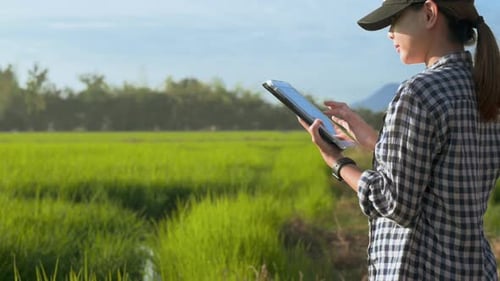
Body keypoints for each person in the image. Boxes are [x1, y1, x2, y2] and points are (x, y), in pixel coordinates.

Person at [298, 0, 500, 280]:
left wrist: (338, 162)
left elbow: (393, 202)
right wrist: (373, 139)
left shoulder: (418, 93)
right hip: (473, 269)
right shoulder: (485, 90)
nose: (389, 33)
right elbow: (440, 164)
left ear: (429, 13)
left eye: (394, 20)